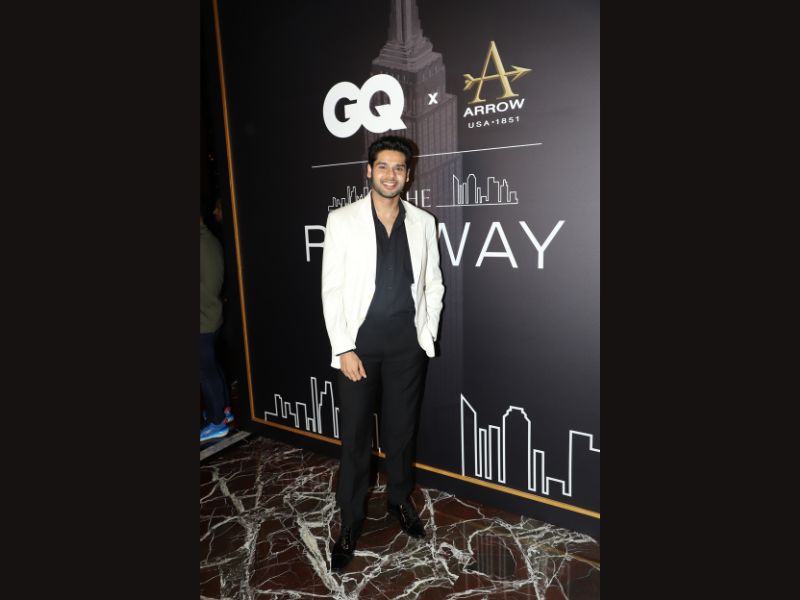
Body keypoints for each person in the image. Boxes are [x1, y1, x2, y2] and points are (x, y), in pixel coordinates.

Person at [321, 135, 445, 571]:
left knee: (401, 432)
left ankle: (399, 501)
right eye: (383, 166)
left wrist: (426, 333)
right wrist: (343, 347)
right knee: (355, 436)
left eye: (399, 168)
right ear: (369, 171)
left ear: (408, 175)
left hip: (407, 347)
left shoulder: (423, 222)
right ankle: (351, 520)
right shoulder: (342, 220)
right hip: (360, 347)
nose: (391, 174)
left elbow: (433, 283)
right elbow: (332, 289)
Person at [200, 210, 231, 442]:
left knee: (205, 371)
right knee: (213, 367)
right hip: (212, 315)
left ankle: (217, 421)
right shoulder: (209, 238)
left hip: (203, 318)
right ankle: (223, 409)